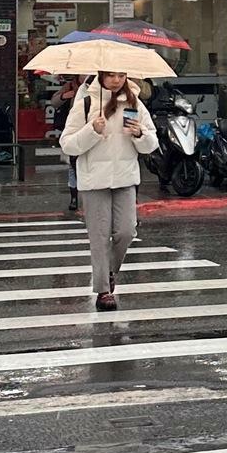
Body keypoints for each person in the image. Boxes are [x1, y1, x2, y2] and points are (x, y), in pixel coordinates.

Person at [60, 70, 158, 312]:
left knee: (126, 231)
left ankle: (109, 271)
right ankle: (104, 290)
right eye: (111, 75)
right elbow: (68, 143)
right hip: (94, 180)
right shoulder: (86, 101)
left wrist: (139, 134)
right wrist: (92, 130)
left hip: (125, 178)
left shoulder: (134, 101)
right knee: (100, 236)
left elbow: (151, 144)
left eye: (121, 75)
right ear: (101, 76)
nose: (116, 80)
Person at [51, 75, 88, 212]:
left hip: (89, 129)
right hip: (72, 129)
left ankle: (86, 195)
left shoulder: (96, 87)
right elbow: (54, 102)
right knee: (73, 165)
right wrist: (65, 96)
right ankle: (74, 197)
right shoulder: (70, 85)